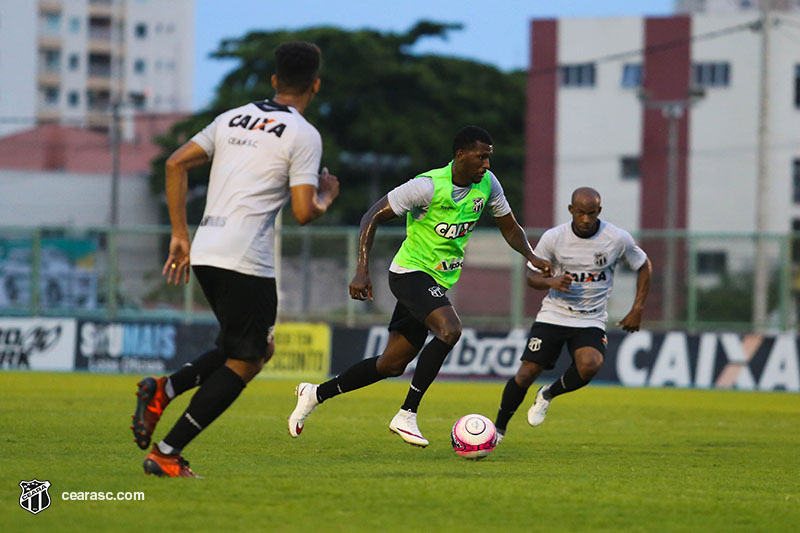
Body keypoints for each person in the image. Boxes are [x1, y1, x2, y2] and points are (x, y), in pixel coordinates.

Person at [130, 41, 339, 477]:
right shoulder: (303, 134)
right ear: (316, 85)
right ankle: (167, 452)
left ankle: (162, 390)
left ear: (275, 80)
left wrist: (180, 235)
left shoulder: (231, 118)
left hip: (206, 249)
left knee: (243, 345)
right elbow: (303, 212)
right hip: (247, 258)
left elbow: (174, 163)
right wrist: (326, 197)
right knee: (247, 358)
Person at [287, 125, 552, 447]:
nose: (486, 165)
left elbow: (509, 227)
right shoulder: (425, 187)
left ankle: (314, 394)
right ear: (461, 155)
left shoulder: (488, 185)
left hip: (437, 280)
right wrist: (361, 270)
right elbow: (371, 217)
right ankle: (407, 414)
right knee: (451, 330)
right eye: (481, 157)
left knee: (391, 364)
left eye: (489, 158)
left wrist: (531, 255)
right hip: (410, 273)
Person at [493, 187, 651, 442]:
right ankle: (498, 429)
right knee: (526, 373)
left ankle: (548, 394)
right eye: (580, 213)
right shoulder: (554, 238)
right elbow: (532, 276)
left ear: (599, 211)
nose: (586, 219)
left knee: (590, 365)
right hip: (554, 315)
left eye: (591, 213)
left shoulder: (616, 238)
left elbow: (643, 265)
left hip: (590, 319)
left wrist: (638, 308)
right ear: (571, 211)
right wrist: (551, 282)